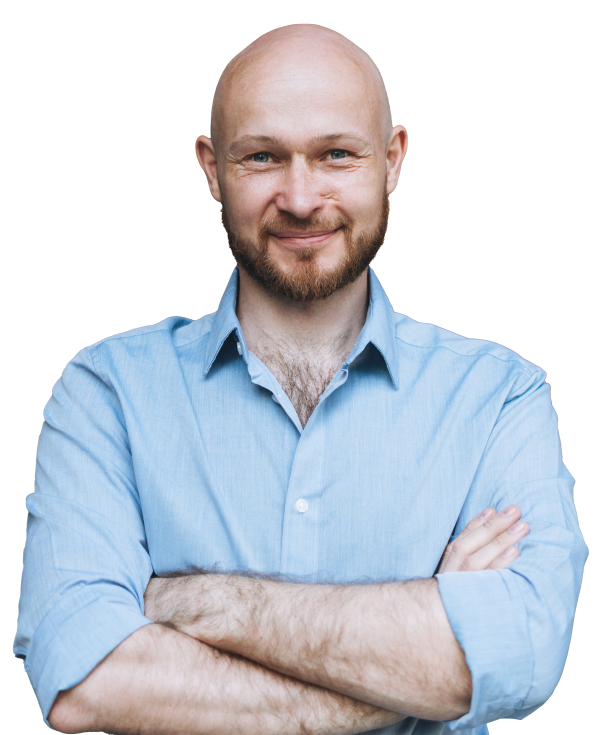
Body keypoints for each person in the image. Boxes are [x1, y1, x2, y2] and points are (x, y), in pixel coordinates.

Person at [15, 23, 586, 735]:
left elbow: (524, 653)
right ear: (211, 167)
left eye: (335, 154)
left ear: (391, 159)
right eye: (261, 156)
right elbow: (85, 685)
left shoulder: (499, 397)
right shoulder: (105, 392)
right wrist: (425, 655)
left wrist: (202, 602)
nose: (300, 196)